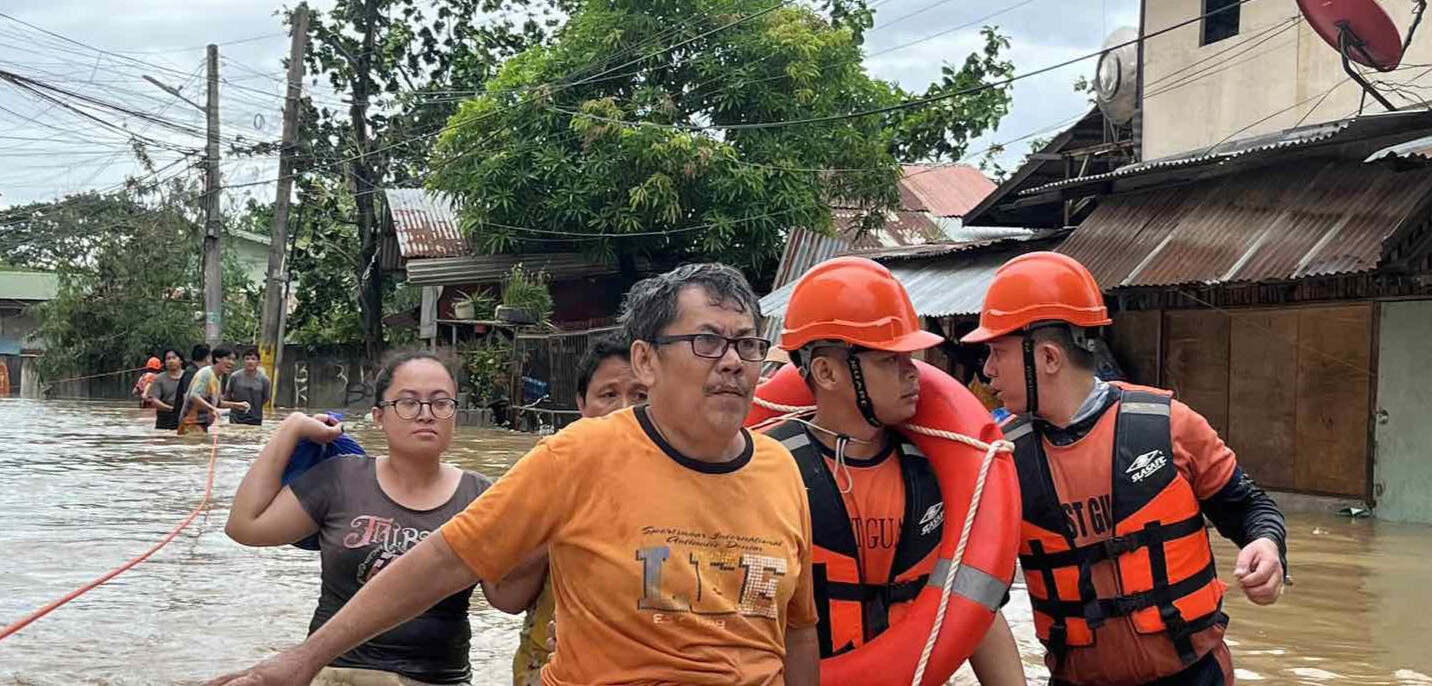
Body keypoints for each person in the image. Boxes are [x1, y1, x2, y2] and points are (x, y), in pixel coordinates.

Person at [205, 263, 821, 686]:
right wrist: (303, 660)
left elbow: (796, 632)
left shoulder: (780, 472)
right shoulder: (579, 455)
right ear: (646, 361)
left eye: (748, 342)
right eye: (709, 341)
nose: (735, 362)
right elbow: (445, 561)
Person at [963, 252, 1287, 686]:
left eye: (996, 352)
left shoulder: (1171, 425)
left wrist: (1267, 547)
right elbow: (980, 603)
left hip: (1193, 676)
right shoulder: (1003, 464)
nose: (986, 371)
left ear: (1048, 357)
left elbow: (1250, 509)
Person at [771, 257, 1026, 684]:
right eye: (891, 360)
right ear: (827, 372)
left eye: (911, 356)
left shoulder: (940, 472)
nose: (914, 373)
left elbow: (973, 612)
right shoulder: (768, 473)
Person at [223, 352, 542, 685]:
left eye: (440, 403)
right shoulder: (341, 477)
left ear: (454, 416)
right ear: (378, 417)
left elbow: (507, 600)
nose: (425, 414)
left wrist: (547, 527)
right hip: (334, 674)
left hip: (436, 678)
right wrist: (290, 429)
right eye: (408, 402)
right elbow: (245, 526)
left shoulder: (481, 495)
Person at [511, 331, 650, 686]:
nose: (624, 409)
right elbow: (504, 597)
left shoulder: (685, 482)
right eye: (608, 395)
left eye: (640, 395)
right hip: (545, 672)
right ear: (582, 405)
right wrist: (560, 525)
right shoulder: (551, 469)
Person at [178, 346, 247, 435]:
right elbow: (194, 395)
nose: (231, 362)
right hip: (190, 424)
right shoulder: (206, 373)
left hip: (202, 425)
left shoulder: (218, 377)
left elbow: (217, 403)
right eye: (228, 358)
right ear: (217, 358)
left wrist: (237, 405)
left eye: (234, 360)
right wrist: (213, 409)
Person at [224, 347, 272, 426]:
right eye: (247, 359)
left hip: (255, 418)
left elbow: (266, 398)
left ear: (258, 362)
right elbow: (227, 396)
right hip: (236, 418)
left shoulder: (264, 380)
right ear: (243, 361)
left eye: (253, 359)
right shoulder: (235, 377)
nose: (250, 362)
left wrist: (254, 406)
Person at [147, 349, 187, 431]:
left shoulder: (189, 376)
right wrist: (171, 409)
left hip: (186, 417)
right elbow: (154, 401)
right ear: (164, 362)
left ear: (181, 361)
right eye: (168, 359)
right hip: (165, 419)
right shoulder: (158, 379)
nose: (171, 361)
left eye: (174, 358)